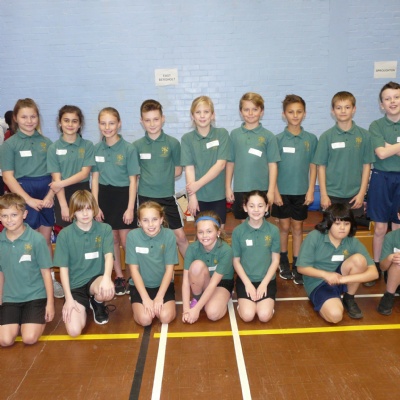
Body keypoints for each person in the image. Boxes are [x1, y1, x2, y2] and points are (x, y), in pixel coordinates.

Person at [1, 98, 64, 298]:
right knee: (27, 241)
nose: (29, 121)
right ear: (15, 119)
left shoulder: (47, 143)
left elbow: (56, 174)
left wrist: (50, 195)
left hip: (45, 194)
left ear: (38, 118)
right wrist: (28, 200)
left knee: (45, 240)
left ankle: (50, 280)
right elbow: (8, 177)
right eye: (24, 117)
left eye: (33, 116)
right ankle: (30, 282)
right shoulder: (9, 145)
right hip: (23, 194)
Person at [297, 203, 378, 323]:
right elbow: (301, 268)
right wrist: (326, 275)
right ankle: (326, 299)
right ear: (328, 223)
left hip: (339, 278)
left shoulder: (352, 241)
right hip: (318, 281)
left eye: (347, 224)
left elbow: (374, 273)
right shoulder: (314, 237)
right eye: (337, 224)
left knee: (359, 260)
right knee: (335, 316)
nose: (342, 228)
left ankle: (349, 298)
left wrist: (342, 280)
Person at [91, 107, 140, 295]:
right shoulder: (96, 149)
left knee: (127, 241)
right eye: (103, 123)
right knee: (111, 239)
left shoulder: (129, 148)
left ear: (119, 124)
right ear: (99, 125)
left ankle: (133, 276)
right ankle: (119, 276)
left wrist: (130, 208)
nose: (107, 127)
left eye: (111, 123)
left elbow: (133, 181)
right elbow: (95, 179)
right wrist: (95, 205)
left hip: (123, 196)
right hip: (104, 197)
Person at [53, 190, 115, 337]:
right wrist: (68, 299)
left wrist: (107, 278)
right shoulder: (65, 234)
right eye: (80, 210)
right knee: (74, 331)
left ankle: (97, 302)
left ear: (94, 208)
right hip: (75, 286)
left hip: (95, 280)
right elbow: (63, 269)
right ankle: (83, 305)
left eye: (88, 208)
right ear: (73, 212)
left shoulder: (105, 229)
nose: (85, 214)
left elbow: (109, 256)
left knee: (108, 290)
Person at [272, 95, 318, 284]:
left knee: (298, 228)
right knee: (283, 227)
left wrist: (311, 190)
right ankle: (283, 261)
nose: (295, 115)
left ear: (304, 114)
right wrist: (275, 191)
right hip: (282, 193)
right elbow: (272, 167)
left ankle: (297, 263)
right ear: (284, 114)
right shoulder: (277, 139)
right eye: (291, 112)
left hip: (301, 192)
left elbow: (313, 166)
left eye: (299, 112)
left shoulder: (311, 139)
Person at [134, 99, 189, 257]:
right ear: (141, 121)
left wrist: (160, 177)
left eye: (156, 119)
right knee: (147, 239)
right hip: (145, 198)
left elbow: (178, 170)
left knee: (180, 237)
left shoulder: (173, 143)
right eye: (147, 120)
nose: (152, 124)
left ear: (163, 119)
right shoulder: (136, 146)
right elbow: (135, 174)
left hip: (167, 197)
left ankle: (194, 271)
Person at [0, 193, 54, 346]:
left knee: (29, 338)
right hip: (11, 298)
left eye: (14, 215)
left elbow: (46, 273)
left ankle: (32, 319)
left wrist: (50, 303)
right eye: (4, 216)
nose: (9, 220)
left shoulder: (37, 239)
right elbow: (1, 272)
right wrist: (1, 299)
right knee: (4, 341)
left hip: (34, 296)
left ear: (24, 214)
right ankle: (19, 320)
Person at [313, 91, 375, 217]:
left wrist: (362, 193)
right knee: (331, 227)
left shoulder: (365, 136)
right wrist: (324, 195)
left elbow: (367, 166)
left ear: (354, 109)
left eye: (347, 107)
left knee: (351, 228)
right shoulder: (326, 137)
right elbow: (321, 167)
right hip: (331, 194)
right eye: (338, 108)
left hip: (355, 195)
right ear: (333, 111)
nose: (343, 111)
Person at [226, 92, 280, 219]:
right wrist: (228, 187)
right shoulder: (234, 135)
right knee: (243, 224)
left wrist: (271, 191)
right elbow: (230, 163)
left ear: (262, 112)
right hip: (240, 189)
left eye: (255, 109)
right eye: (246, 109)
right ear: (241, 112)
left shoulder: (269, 136)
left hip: (262, 189)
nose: (250, 113)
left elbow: (272, 165)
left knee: (261, 223)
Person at [367, 81, 400, 287]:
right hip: (381, 178)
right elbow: (380, 153)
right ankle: (377, 267)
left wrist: (390, 147)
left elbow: (386, 150)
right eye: (387, 99)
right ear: (381, 104)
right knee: (380, 227)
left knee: (397, 226)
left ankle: (394, 269)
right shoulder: (376, 126)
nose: (392, 101)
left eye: (396, 97)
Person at [126, 201, 178, 326]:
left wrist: (159, 297)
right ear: (139, 222)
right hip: (141, 286)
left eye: (154, 219)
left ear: (161, 219)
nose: (150, 224)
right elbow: (134, 270)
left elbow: (169, 270)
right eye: (145, 220)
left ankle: (160, 303)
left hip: (163, 285)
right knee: (145, 320)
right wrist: (145, 298)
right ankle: (137, 303)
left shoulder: (169, 235)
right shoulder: (132, 236)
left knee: (165, 317)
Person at [181, 96, 230, 227]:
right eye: (198, 112)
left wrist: (197, 185)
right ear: (192, 116)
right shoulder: (187, 139)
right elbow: (189, 168)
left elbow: (221, 165)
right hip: (198, 197)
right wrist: (192, 196)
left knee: (219, 232)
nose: (202, 116)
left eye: (206, 112)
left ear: (212, 115)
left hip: (217, 195)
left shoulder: (222, 134)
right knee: (202, 233)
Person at [232, 190, 280, 322]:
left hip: (266, 280)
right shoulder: (238, 231)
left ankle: (267, 306)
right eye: (251, 206)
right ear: (245, 207)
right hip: (246, 280)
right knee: (248, 316)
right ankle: (243, 305)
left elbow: (275, 260)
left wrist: (264, 284)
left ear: (266, 208)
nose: (256, 210)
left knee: (264, 316)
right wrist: (247, 284)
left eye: (260, 206)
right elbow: (236, 261)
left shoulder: (274, 230)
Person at [182, 210, 234, 324]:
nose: (204, 236)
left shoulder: (226, 250)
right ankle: (197, 297)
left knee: (213, 314)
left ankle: (223, 296)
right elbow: (186, 281)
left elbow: (213, 284)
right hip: (204, 281)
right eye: (200, 232)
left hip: (221, 282)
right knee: (196, 266)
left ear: (218, 232)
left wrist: (196, 309)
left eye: (209, 231)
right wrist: (186, 310)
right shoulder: (192, 248)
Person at [47, 105, 95, 228]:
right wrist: (63, 206)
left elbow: (84, 173)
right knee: (66, 232)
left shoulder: (88, 145)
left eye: (74, 121)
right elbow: (56, 178)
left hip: (82, 192)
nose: (70, 124)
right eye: (66, 120)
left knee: (85, 229)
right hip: (62, 194)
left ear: (80, 124)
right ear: (60, 122)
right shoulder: (53, 148)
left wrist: (60, 184)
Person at [376, 205, 400, 315]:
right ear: (399, 216)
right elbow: (382, 267)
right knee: (398, 261)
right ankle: (389, 296)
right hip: (393, 275)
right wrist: (391, 257)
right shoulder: (391, 236)